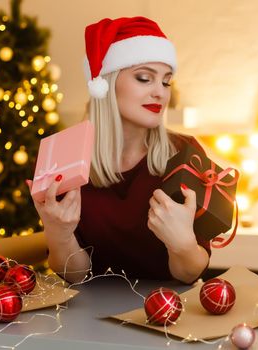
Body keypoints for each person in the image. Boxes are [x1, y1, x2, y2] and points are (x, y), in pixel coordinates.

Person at [28, 16, 210, 284]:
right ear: (106, 84)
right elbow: (76, 275)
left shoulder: (185, 154)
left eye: (166, 81)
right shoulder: (64, 157)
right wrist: (59, 234)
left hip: (169, 315)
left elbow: (190, 273)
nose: (160, 92)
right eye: (145, 78)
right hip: (91, 320)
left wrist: (182, 245)